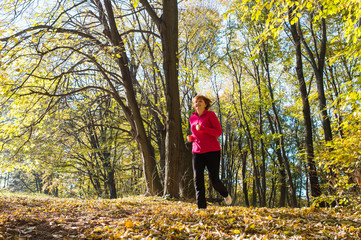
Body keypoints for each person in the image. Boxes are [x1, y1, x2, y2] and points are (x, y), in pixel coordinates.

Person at [187, 95, 232, 209]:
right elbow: (195, 133)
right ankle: (201, 208)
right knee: (198, 180)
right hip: (197, 151)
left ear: (205, 104)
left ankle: (225, 194)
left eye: (200, 101)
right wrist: (191, 138)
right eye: (196, 102)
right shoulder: (192, 118)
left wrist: (203, 128)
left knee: (214, 180)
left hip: (212, 151)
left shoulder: (211, 115)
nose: (198, 103)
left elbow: (218, 132)